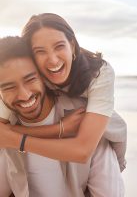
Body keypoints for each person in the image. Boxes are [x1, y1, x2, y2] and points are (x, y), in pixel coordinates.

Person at [0, 13, 127, 171]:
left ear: (72, 45)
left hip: (106, 130)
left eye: (59, 46)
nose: (52, 60)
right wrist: (59, 129)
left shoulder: (100, 73)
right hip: (65, 125)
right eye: (40, 51)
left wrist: (17, 140)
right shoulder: (29, 77)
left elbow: (83, 150)